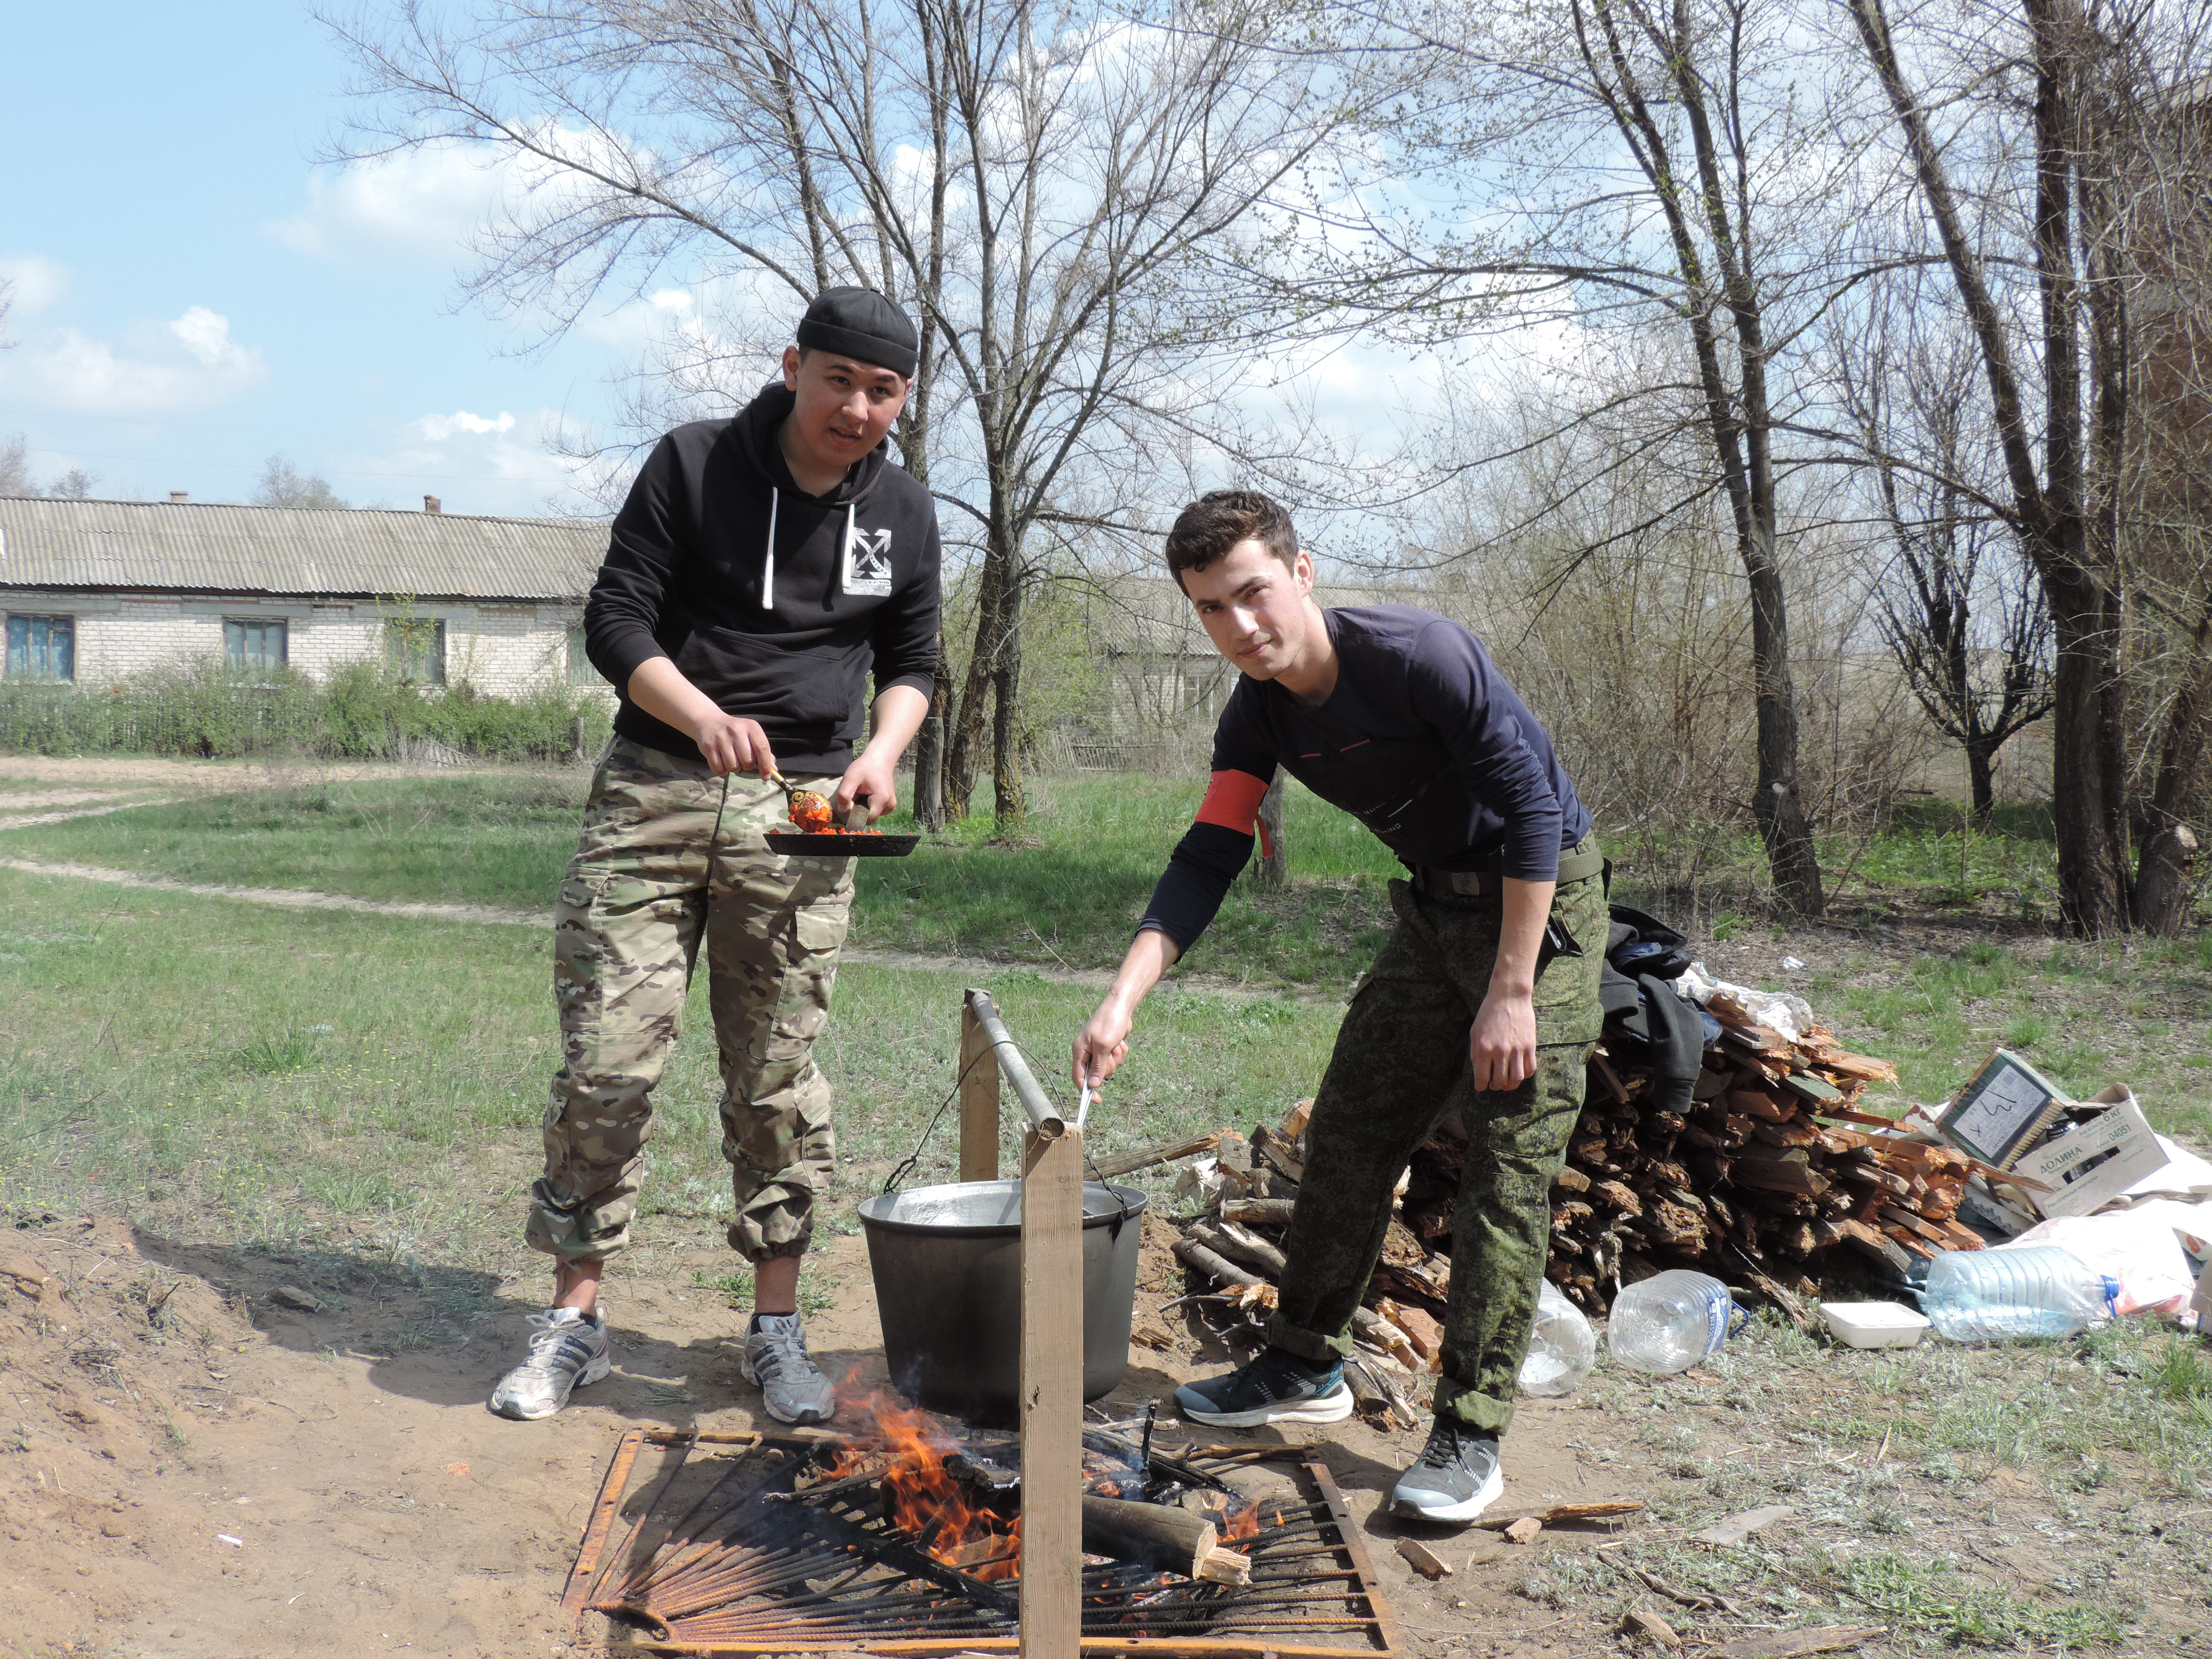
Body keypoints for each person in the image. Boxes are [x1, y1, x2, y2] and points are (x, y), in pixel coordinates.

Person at [1072, 490, 1604, 1526]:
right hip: (1431, 907)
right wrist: (1120, 999)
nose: (1242, 628)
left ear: (1302, 573)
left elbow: (1534, 808)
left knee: (1508, 1163)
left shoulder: (1419, 657)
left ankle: (1470, 1431)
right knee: (1353, 1130)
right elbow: (1211, 852)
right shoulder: (1258, 708)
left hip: (1543, 909)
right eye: (1212, 611)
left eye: (1254, 594)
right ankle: (1302, 1365)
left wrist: (1511, 991)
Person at [489, 288, 940, 1426]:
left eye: (883, 390)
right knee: (608, 1065)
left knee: (777, 1082)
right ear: (795, 367)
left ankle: (777, 1333)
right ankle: (574, 1320)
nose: (858, 407)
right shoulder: (692, 465)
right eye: (839, 379)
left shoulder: (905, 510)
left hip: (804, 813)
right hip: (654, 791)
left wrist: (883, 752)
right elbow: (615, 621)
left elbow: (914, 659)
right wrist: (697, 715)